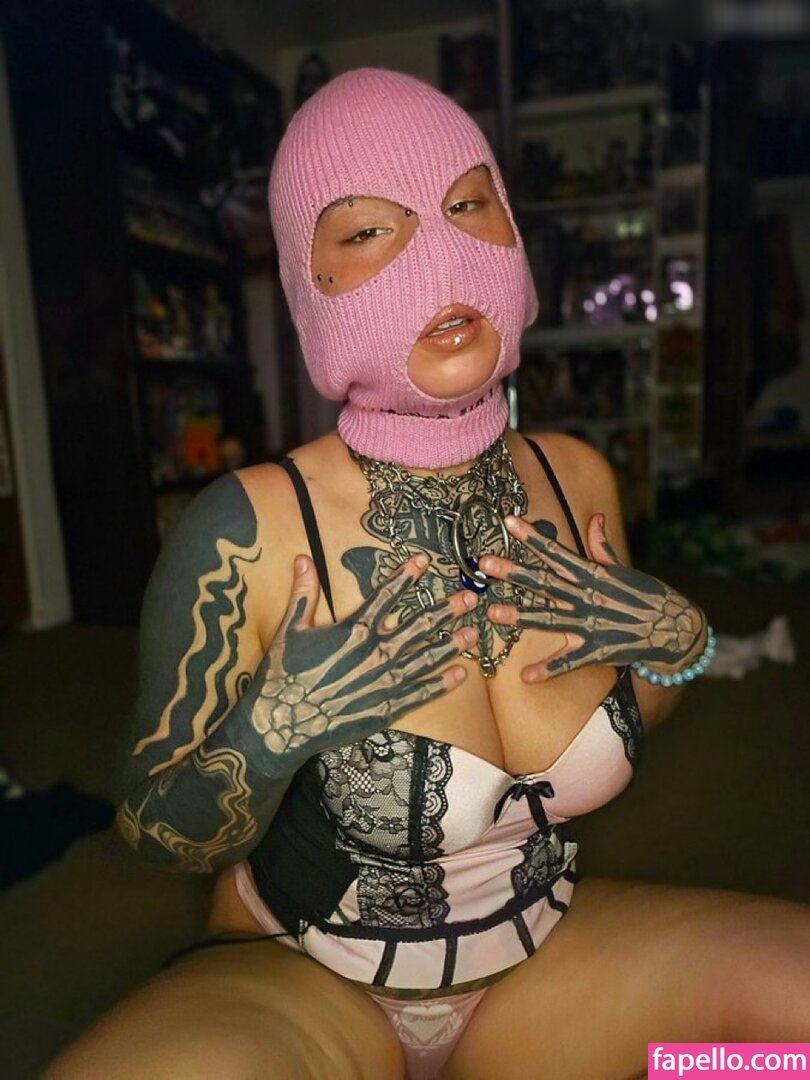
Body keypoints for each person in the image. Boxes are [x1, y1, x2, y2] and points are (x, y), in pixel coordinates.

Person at [48, 69, 810, 1080]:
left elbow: (632, 701)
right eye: (368, 231)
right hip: (306, 977)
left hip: (542, 966)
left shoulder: (574, 477)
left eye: (466, 206)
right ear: (308, 282)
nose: (438, 258)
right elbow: (151, 829)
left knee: (785, 1040)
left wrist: (678, 643)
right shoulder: (252, 528)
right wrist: (273, 733)